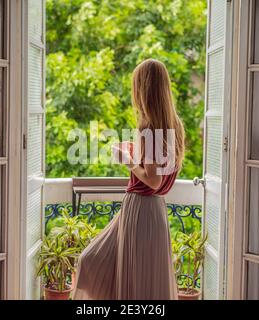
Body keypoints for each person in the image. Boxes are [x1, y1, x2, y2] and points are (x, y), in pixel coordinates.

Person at [72, 59, 185, 300]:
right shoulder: (174, 125)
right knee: (136, 277)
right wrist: (138, 153)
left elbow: (152, 181)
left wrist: (126, 159)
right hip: (154, 210)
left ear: (143, 89)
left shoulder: (149, 127)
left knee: (106, 267)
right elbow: (161, 170)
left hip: (140, 209)